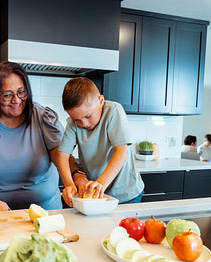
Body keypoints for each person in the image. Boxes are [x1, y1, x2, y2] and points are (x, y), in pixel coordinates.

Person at [0, 61, 84, 210]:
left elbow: (62, 157)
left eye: (21, 92)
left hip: (46, 214)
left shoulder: (43, 118)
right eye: (7, 95)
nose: (16, 100)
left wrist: (78, 176)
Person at [56, 77, 145, 207]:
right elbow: (62, 155)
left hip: (126, 193)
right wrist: (69, 184)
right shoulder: (73, 122)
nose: (84, 123)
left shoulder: (113, 111)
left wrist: (101, 183)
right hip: (97, 195)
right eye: (77, 120)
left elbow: (121, 151)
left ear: (100, 101)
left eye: (88, 116)